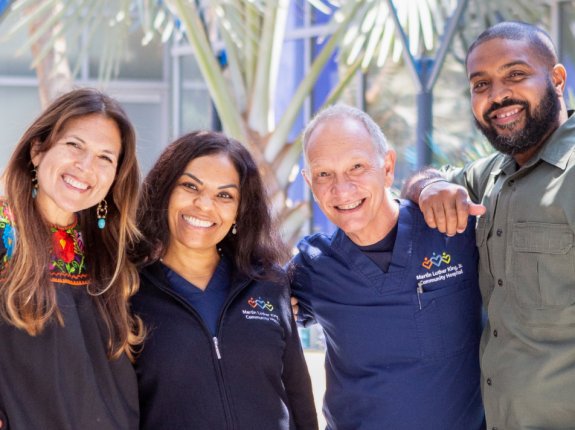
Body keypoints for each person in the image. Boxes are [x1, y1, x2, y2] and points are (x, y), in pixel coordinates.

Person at [403, 21, 575, 429]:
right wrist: (431, 187)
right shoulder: (491, 177)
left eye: (515, 75)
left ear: (556, 79)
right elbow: (418, 181)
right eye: (480, 84)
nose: (498, 96)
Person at [289, 104, 485, 430]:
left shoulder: (452, 230)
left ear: (388, 167)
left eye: (357, 166)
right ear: (310, 183)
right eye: (324, 174)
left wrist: (428, 182)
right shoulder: (313, 267)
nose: (342, 188)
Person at [130, 131, 318, 430]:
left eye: (224, 195)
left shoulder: (270, 284)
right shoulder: (129, 293)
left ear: (239, 212)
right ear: (165, 190)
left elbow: (298, 397)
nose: (204, 205)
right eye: (190, 186)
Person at [0, 88, 144, 430]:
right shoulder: (6, 230)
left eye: (105, 158)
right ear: (38, 150)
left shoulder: (113, 250)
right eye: (74, 146)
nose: (85, 167)